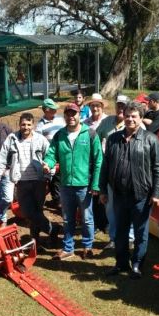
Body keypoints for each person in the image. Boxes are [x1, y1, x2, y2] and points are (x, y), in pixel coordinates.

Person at [100, 100, 159, 279]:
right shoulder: (113, 139)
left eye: (134, 116)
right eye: (127, 116)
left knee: (140, 232)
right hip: (119, 195)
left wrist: (157, 193)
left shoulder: (151, 140)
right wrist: (103, 189)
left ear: (141, 118)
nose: (130, 119)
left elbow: (158, 168)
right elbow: (105, 166)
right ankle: (121, 264)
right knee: (120, 231)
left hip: (141, 196)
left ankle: (137, 264)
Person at [0, 112, 60, 247]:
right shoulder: (12, 139)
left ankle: (35, 240)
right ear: (19, 124)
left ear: (33, 125)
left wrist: (48, 173)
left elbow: (50, 157)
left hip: (39, 181)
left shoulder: (40, 139)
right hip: (21, 182)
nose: (26, 127)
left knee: (37, 212)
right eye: (23, 124)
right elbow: (2, 160)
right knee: (27, 212)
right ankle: (52, 229)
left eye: (28, 124)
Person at [43, 103, 102, 261]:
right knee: (68, 218)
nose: (71, 117)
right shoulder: (60, 135)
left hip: (84, 185)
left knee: (87, 218)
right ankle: (68, 248)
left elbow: (98, 160)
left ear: (79, 115)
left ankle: (87, 246)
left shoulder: (90, 134)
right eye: (68, 114)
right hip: (66, 184)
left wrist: (96, 184)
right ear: (65, 116)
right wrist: (47, 163)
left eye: (74, 114)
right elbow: (51, 153)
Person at [96, 95, 136, 249]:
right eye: (118, 105)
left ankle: (130, 238)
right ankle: (113, 238)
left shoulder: (137, 125)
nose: (120, 108)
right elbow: (96, 139)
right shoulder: (106, 122)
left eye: (123, 106)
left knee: (130, 206)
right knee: (111, 207)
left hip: (131, 175)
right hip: (110, 173)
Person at [83, 93, 108, 233]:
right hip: (89, 162)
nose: (95, 108)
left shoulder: (107, 120)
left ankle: (105, 222)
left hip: (104, 160)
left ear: (102, 106)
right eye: (92, 105)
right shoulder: (85, 123)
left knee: (102, 191)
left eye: (97, 105)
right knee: (93, 192)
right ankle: (96, 223)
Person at [35, 98, 66, 206]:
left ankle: (60, 198)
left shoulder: (60, 120)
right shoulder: (40, 125)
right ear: (46, 110)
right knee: (53, 177)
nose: (55, 110)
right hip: (50, 155)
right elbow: (38, 142)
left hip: (63, 152)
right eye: (53, 109)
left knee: (61, 176)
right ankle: (57, 200)